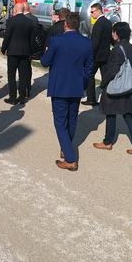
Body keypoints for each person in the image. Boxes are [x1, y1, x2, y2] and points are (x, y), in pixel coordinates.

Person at [40, 12, 93, 171]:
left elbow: (44, 62)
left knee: (60, 122)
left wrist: (47, 52)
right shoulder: (87, 43)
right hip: (76, 86)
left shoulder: (56, 41)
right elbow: (89, 68)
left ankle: (70, 158)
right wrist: (83, 83)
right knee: (72, 119)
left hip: (60, 86)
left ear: (65, 24)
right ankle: (66, 147)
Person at [93, 21, 132, 154]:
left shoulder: (117, 50)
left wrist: (103, 83)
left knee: (110, 112)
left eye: (113, 31)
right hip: (130, 86)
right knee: (128, 115)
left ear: (117, 34)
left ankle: (107, 142)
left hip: (117, 86)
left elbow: (112, 71)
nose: (112, 34)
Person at [1, 2, 36, 104]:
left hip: (13, 51)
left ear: (16, 10)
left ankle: (12, 97)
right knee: (23, 75)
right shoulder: (30, 22)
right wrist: (31, 51)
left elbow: (7, 36)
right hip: (25, 52)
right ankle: (22, 97)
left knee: (11, 75)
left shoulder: (11, 21)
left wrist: (3, 48)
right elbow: (32, 39)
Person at [84, 2, 111, 106]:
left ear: (98, 11)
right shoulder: (108, 22)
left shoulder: (98, 23)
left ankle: (91, 99)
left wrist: (90, 55)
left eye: (92, 12)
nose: (91, 14)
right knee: (106, 79)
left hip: (96, 56)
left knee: (90, 75)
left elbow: (95, 42)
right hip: (105, 55)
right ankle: (108, 100)